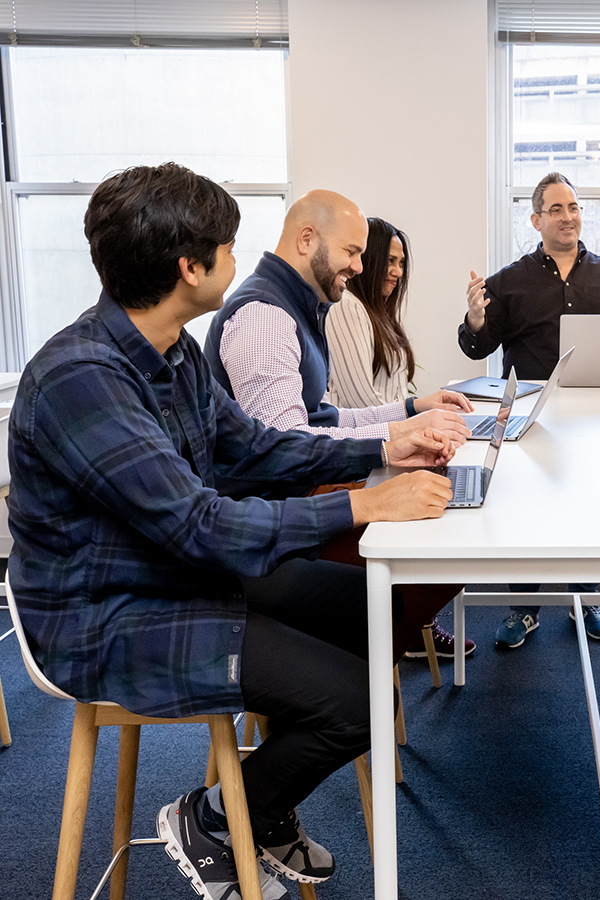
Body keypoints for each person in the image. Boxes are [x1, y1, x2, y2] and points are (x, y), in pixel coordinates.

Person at [7, 162, 459, 900]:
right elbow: (199, 523)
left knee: (374, 614)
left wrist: (384, 447)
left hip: (173, 571)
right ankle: (217, 816)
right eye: (226, 248)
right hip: (108, 615)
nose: (238, 261)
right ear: (190, 267)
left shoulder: (174, 352)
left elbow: (253, 446)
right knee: (358, 702)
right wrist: (365, 506)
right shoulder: (80, 378)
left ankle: (264, 802)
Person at [205, 191, 471, 661]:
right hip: (278, 520)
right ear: (307, 240)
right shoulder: (265, 317)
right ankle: (352, 667)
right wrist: (391, 445)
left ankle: (358, 665)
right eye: (352, 252)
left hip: (300, 494)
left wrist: (406, 416)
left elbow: (324, 420)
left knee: (445, 518)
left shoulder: (297, 308)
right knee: (445, 549)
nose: (359, 266)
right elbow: (287, 449)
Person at [459, 171, 600, 648]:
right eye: (557, 209)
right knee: (524, 509)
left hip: (597, 416)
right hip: (532, 417)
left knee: (590, 506)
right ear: (536, 219)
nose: (569, 217)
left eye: (574, 208)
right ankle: (523, 607)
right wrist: (476, 320)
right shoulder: (508, 282)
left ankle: (586, 598)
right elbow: (475, 347)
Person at [327, 216, 477, 659]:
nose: (396, 271)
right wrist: (416, 424)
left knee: (459, 514)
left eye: (401, 263)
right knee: (453, 534)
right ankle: (400, 634)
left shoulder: (377, 314)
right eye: (388, 261)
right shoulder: (347, 309)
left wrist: (420, 409)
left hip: (383, 451)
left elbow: (388, 398)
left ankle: (411, 626)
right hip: (364, 460)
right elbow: (358, 401)